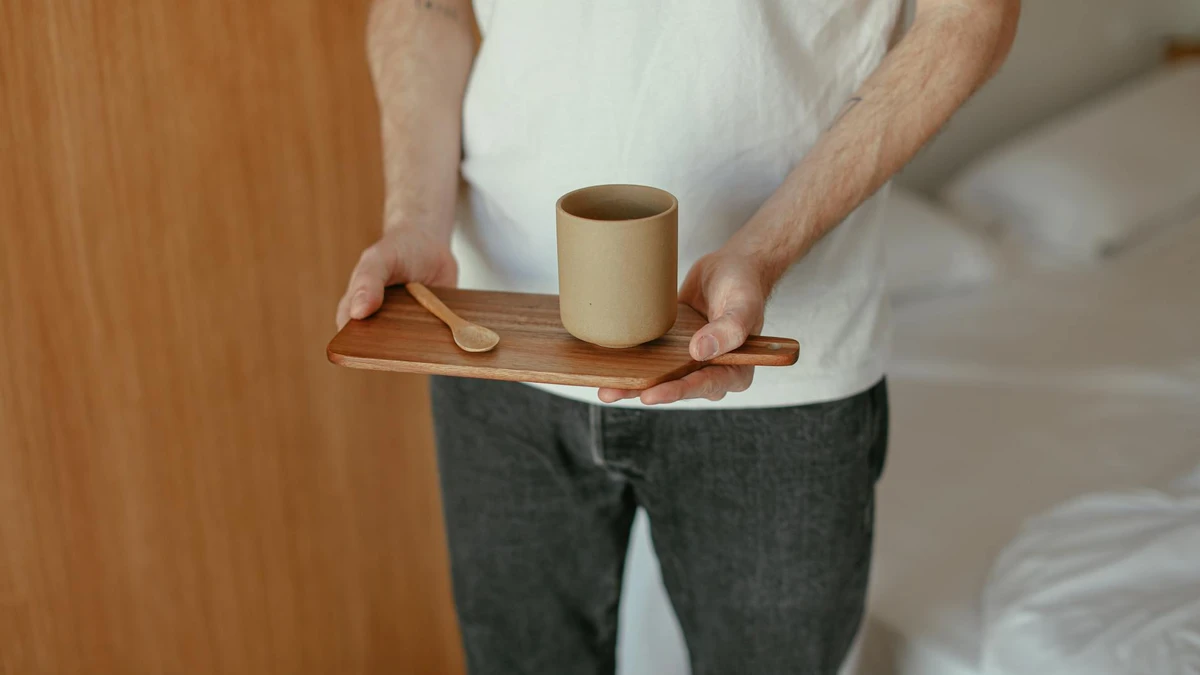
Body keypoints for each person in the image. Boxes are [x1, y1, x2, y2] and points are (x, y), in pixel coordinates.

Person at [335, 0, 1018, 672]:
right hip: (494, 335)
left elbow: (969, 19)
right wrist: (415, 221)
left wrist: (766, 251)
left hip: (780, 371)